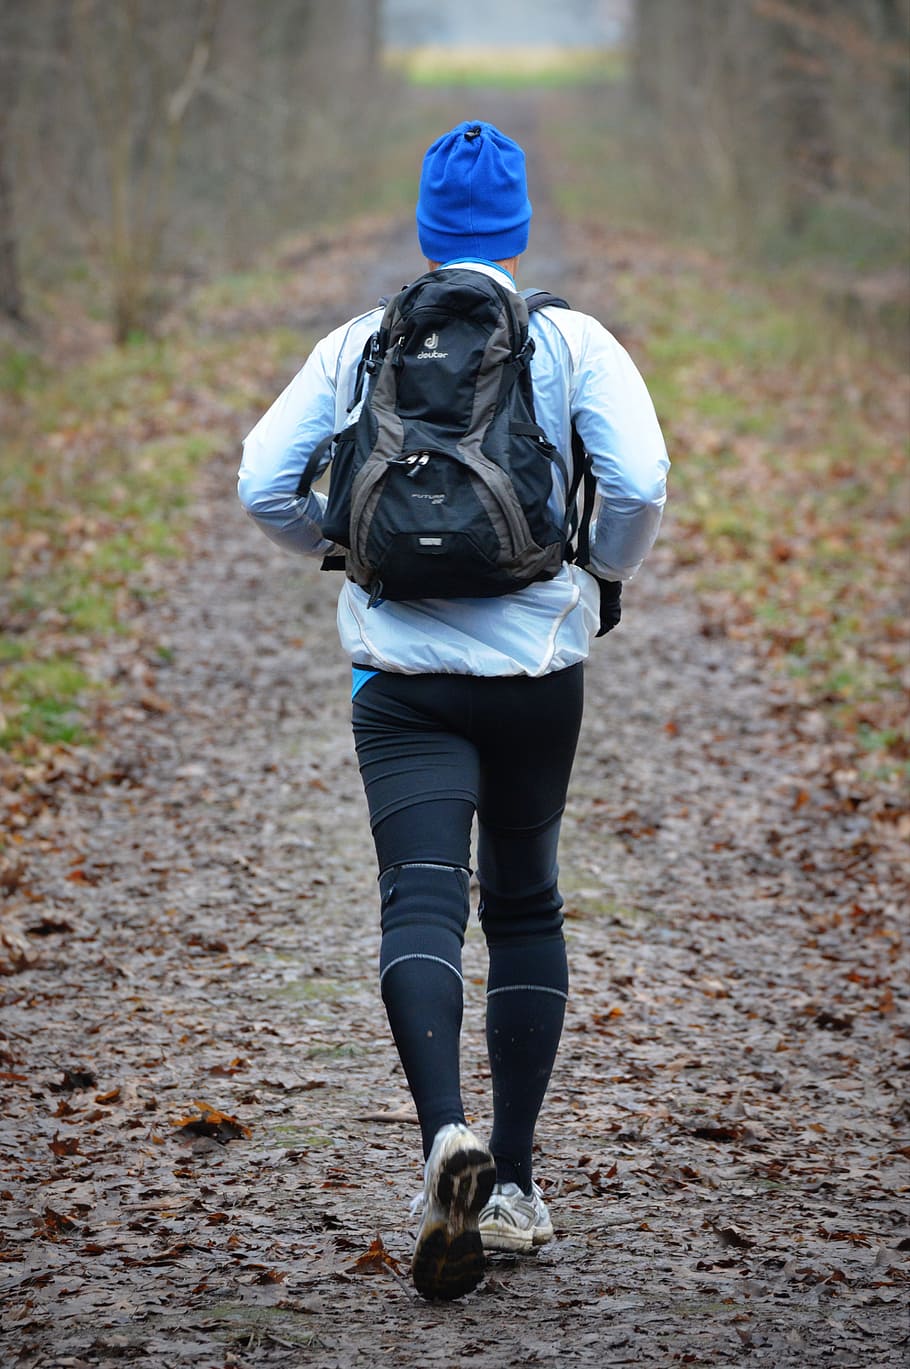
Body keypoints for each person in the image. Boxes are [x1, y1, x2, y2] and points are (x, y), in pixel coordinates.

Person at [238, 120, 669, 1301]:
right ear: (517, 229)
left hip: (401, 682)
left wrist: (340, 537)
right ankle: (516, 1184)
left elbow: (258, 480)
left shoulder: (361, 342)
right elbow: (637, 482)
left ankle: (444, 1136)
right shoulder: (570, 341)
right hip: (536, 672)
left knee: (418, 903)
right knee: (523, 906)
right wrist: (597, 573)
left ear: (428, 227)